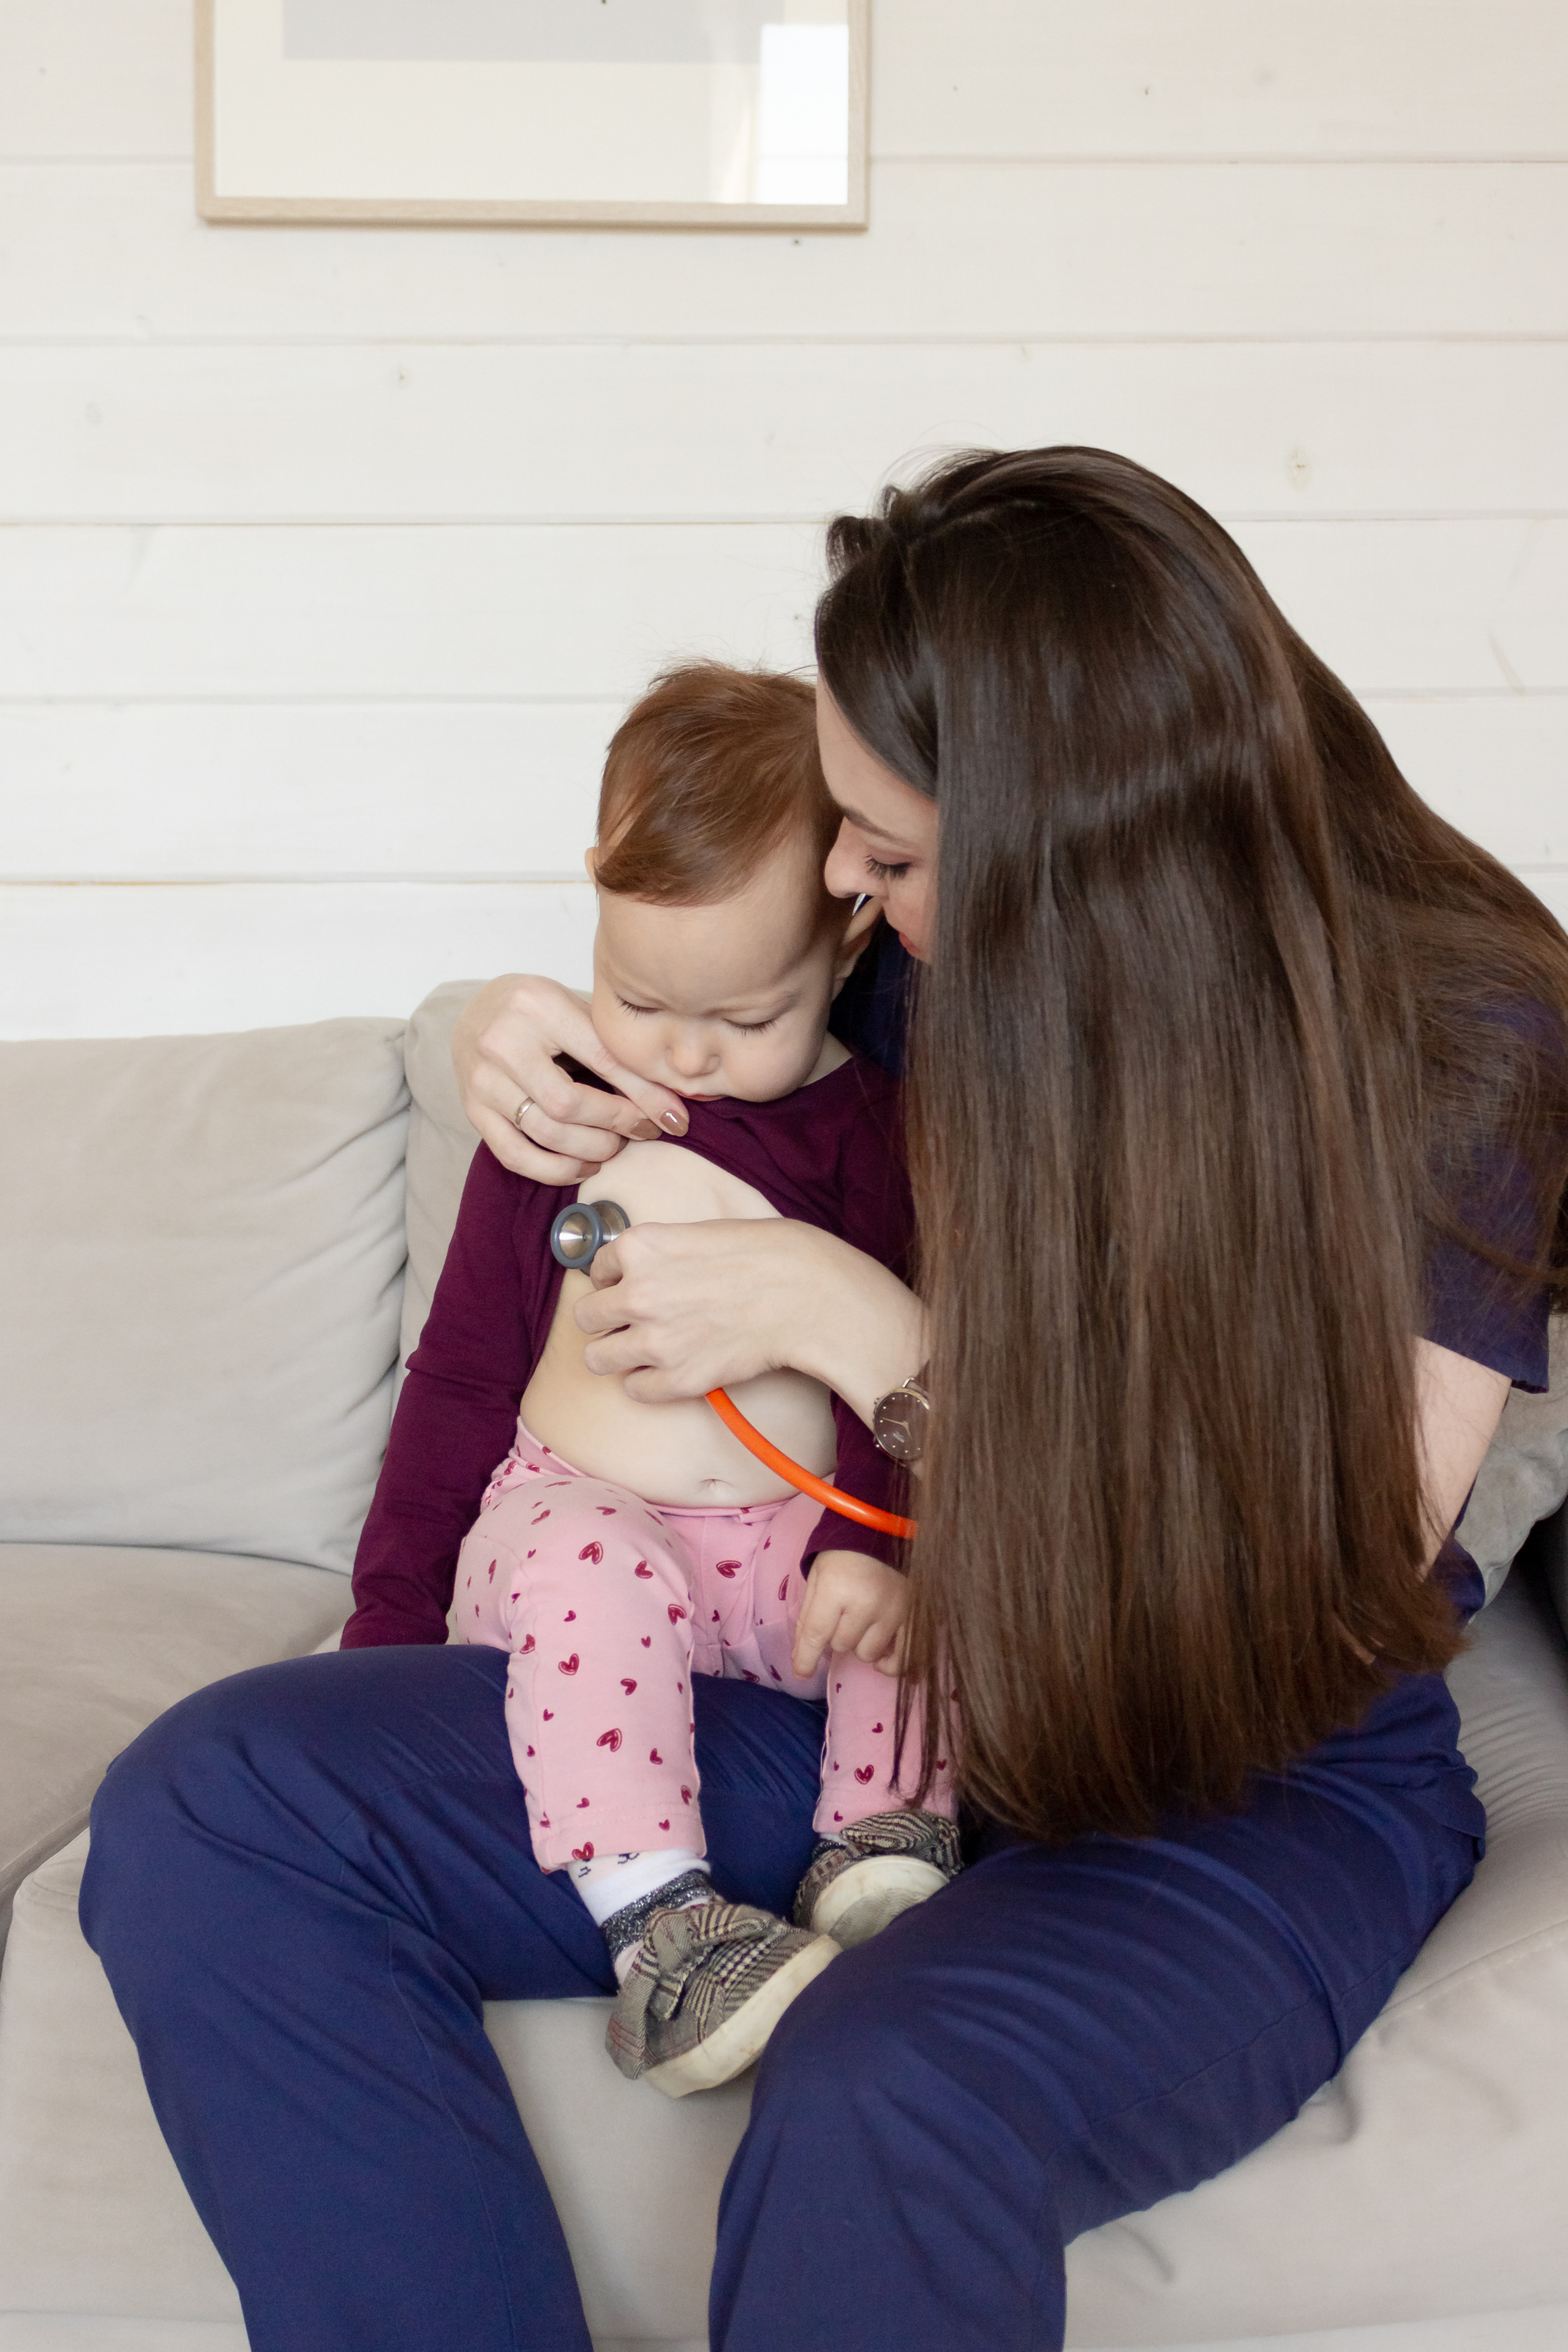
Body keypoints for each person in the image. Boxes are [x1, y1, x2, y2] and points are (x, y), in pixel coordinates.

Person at [80, 447, 1568, 2352]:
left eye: (890, 849)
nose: (850, 891)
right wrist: (515, 1040)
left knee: (894, 2081)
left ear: (1073, 821)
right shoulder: (930, 969)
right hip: (897, 1696)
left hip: (1230, 1785)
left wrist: (877, 1334)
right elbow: (690, 1031)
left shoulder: (1464, 1038)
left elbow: (1294, 1610)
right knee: (223, 1800)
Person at [350, 659, 957, 2098]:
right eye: (637, 998)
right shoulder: (563, 1119)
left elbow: (919, 1359)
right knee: (585, 1572)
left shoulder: (882, 1134)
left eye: (748, 1020)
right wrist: (390, 1623)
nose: (682, 1055)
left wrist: (873, 1539)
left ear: (854, 929)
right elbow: (454, 1382)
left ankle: (883, 1846)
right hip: (585, 1523)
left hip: (785, 1557)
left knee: (937, 1606)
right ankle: (665, 1930)